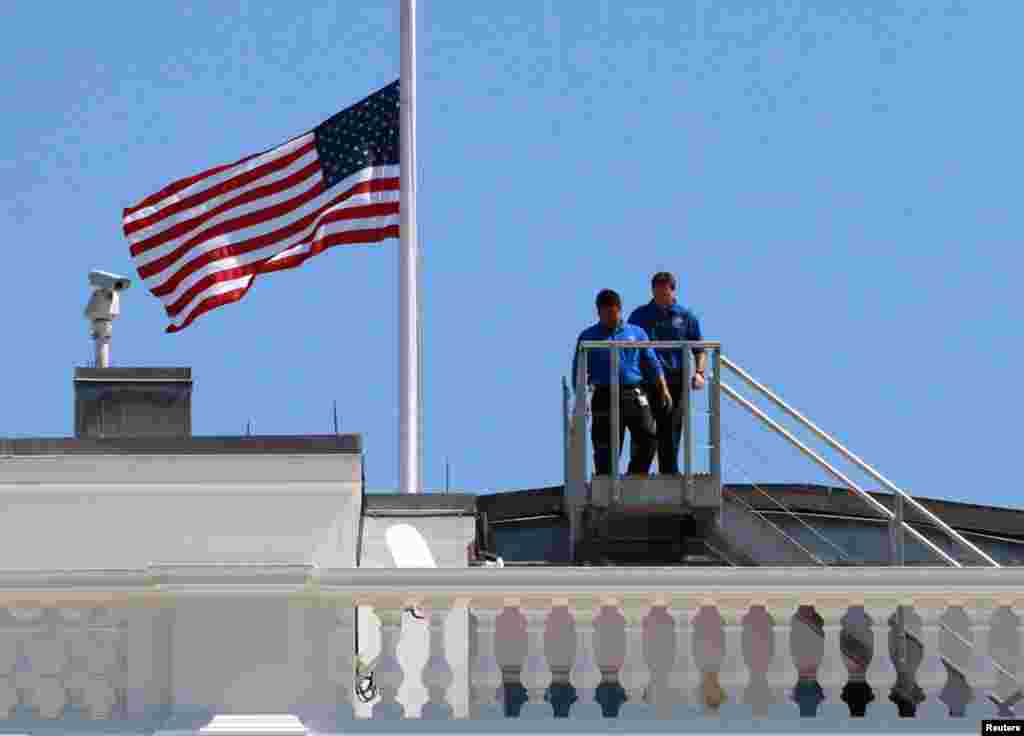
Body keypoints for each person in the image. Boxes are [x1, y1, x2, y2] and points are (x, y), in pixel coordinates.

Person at [571, 288, 674, 476]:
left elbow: (653, 363)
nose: (609, 318)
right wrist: (581, 399)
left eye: (612, 313)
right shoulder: (588, 336)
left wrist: (664, 389)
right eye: (604, 314)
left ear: (619, 310)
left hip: (632, 392)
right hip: (604, 394)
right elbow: (578, 371)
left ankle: (635, 476)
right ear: (598, 312)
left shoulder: (637, 333)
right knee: (605, 446)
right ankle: (605, 482)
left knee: (648, 437)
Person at [628, 272, 705, 475]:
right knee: (643, 429)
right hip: (645, 380)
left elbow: (700, 349)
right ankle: (637, 473)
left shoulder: (686, 316)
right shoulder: (639, 315)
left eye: (664, 291)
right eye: (656, 292)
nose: (660, 296)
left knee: (671, 430)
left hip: (675, 380)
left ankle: (669, 473)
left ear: (673, 290)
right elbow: (627, 346)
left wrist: (699, 372)